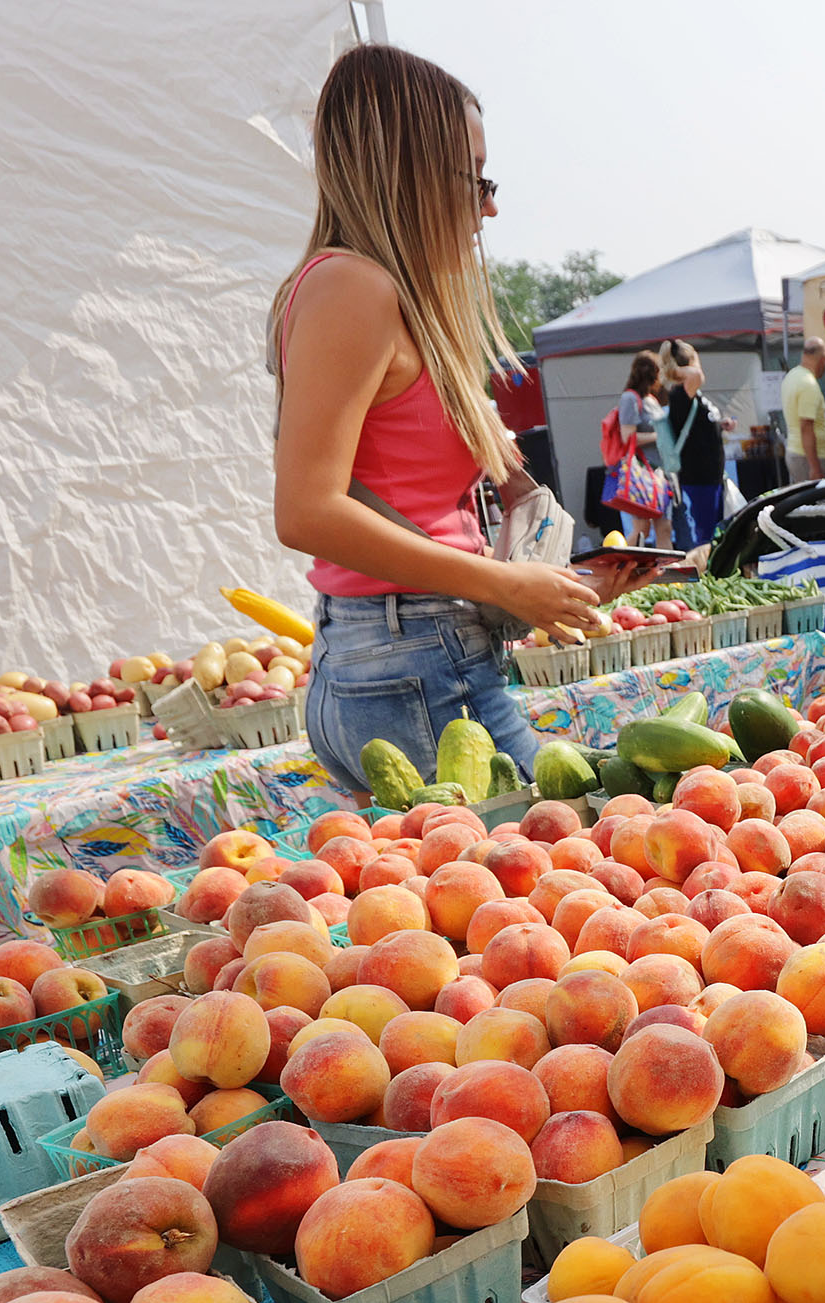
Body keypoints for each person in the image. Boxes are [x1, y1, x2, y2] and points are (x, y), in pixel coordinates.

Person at [270, 44, 595, 788]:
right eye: (475, 179)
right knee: (552, 860)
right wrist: (502, 586)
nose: (490, 206)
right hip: (412, 655)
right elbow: (304, 510)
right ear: (410, 170)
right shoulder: (355, 287)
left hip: (400, 654)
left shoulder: (372, 290)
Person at [658, 344, 732, 551]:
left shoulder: (693, 396)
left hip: (710, 476)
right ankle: (703, 574)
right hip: (698, 478)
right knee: (704, 535)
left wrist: (720, 424)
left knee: (713, 531)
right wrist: (672, 368)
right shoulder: (680, 394)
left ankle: (710, 570)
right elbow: (696, 374)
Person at [608, 350, 669, 548]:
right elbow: (628, 436)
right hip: (641, 473)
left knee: (664, 527)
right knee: (642, 528)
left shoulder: (651, 400)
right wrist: (659, 436)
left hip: (659, 474)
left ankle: (668, 575)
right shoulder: (630, 399)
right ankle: (626, 567)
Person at [780, 341, 825, 482]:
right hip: (807, 457)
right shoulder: (808, 384)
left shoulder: (791, 376)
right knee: (820, 503)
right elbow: (806, 426)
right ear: (823, 360)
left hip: (796, 452)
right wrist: (815, 467)